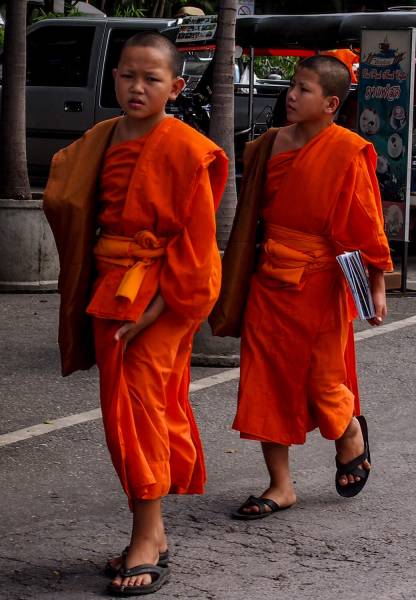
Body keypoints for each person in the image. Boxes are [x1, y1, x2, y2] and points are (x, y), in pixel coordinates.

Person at [42, 33, 228, 595]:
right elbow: (67, 195)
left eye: (151, 78)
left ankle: (147, 535)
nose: (137, 87)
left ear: (176, 87)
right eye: (127, 75)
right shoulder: (101, 137)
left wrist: (155, 309)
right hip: (111, 287)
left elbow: (197, 245)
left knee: (138, 409)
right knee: (127, 410)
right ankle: (153, 529)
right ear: (114, 78)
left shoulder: (187, 149)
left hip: (164, 294)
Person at [209, 55, 392, 518]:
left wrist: (377, 285)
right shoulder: (270, 144)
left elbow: (366, 224)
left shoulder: (348, 151)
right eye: (293, 86)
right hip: (270, 279)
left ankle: (348, 430)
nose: (291, 95)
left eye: (304, 89)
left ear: (330, 103)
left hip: (320, 281)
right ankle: (280, 485)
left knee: (322, 380)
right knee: (265, 382)